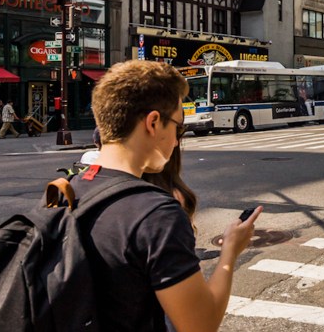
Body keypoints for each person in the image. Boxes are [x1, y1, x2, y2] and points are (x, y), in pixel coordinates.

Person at [74, 60, 261, 331]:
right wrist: (230, 252)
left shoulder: (66, 192)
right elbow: (200, 325)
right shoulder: (157, 215)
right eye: (177, 128)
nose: (176, 141)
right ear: (153, 123)